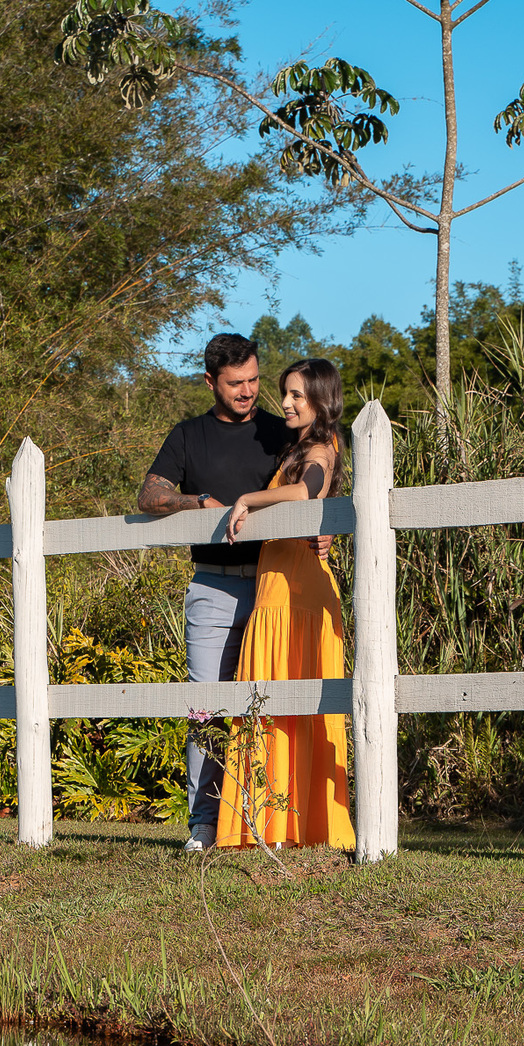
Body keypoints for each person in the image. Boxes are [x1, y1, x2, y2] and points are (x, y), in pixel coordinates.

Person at [139, 335, 289, 852]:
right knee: (205, 707)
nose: (248, 391)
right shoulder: (189, 435)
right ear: (210, 382)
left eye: (253, 380)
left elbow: (318, 476)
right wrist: (195, 501)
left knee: (274, 705)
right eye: (235, 384)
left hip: (277, 584)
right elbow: (150, 494)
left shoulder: (278, 431)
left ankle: (269, 818)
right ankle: (203, 824)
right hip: (212, 588)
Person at [216, 359, 355, 852]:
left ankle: (305, 826)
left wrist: (248, 499)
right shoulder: (297, 447)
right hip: (276, 589)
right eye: (286, 394)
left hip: (297, 595)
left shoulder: (321, 446)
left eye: (297, 394)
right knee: (269, 705)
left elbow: (308, 490)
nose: (287, 403)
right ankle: (271, 826)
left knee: (297, 708)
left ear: (321, 398)